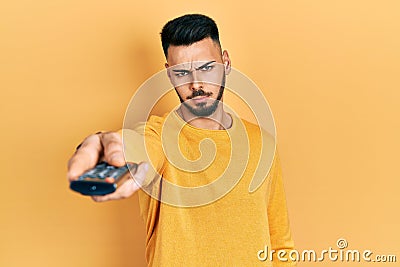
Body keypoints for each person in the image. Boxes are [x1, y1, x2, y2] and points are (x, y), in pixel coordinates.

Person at [67, 14, 296, 266]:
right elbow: (137, 145)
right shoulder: (158, 136)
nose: (196, 84)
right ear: (169, 74)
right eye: (182, 72)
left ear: (226, 62)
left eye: (207, 68)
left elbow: (280, 243)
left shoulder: (262, 143)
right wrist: (104, 145)